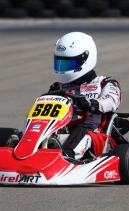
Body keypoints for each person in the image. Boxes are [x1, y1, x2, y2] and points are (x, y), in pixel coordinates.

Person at [48, 32, 122, 160]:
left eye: (68, 64)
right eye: (61, 63)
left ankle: (65, 158)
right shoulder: (57, 87)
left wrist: (92, 104)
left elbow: (111, 101)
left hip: (94, 136)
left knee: (80, 131)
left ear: (85, 60)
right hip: (60, 131)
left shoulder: (105, 83)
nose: (63, 68)